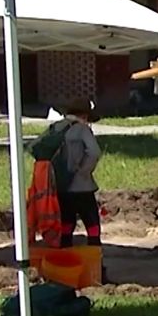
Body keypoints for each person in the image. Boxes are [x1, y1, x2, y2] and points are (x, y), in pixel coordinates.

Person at [55, 98, 104, 250]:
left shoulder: (55, 128)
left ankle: (65, 251)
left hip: (62, 185)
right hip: (82, 186)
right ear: (84, 115)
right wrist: (85, 170)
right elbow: (94, 152)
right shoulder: (82, 129)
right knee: (91, 221)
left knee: (66, 220)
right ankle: (95, 252)